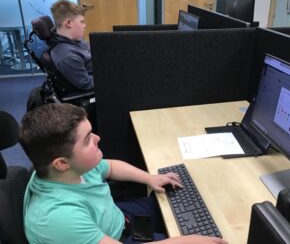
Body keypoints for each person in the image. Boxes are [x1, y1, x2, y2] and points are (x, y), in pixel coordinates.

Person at [19, 103, 228, 244]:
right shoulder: (58, 217)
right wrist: (185, 241)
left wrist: (151, 178)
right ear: (62, 163)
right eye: (87, 139)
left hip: (118, 219)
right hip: (113, 236)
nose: (97, 138)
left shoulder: (72, 169)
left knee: (175, 196)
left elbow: (111, 166)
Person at [48, 0, 93, 90]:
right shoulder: (67, 56)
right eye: (81, 22)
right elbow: (86, 84)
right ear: (68, 23)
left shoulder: (74, 41)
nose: (84, 25)